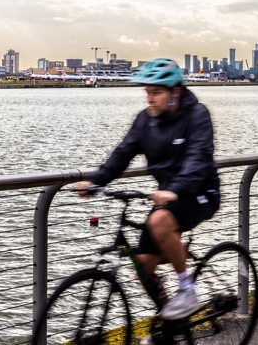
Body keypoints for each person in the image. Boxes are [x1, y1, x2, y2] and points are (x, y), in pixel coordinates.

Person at [74, 58, 220, 339]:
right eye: (147, 92)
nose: (149, 99)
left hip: (199, 192)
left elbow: (198, 159)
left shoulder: (197, 115)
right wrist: (95, 182)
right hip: (168, 196)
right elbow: (122, 154)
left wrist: (174, 189)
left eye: (156, 92)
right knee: (143, 266)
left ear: (174, 92)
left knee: (160, 220)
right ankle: (172, 325)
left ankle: (187, 290)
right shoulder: (145, 120)